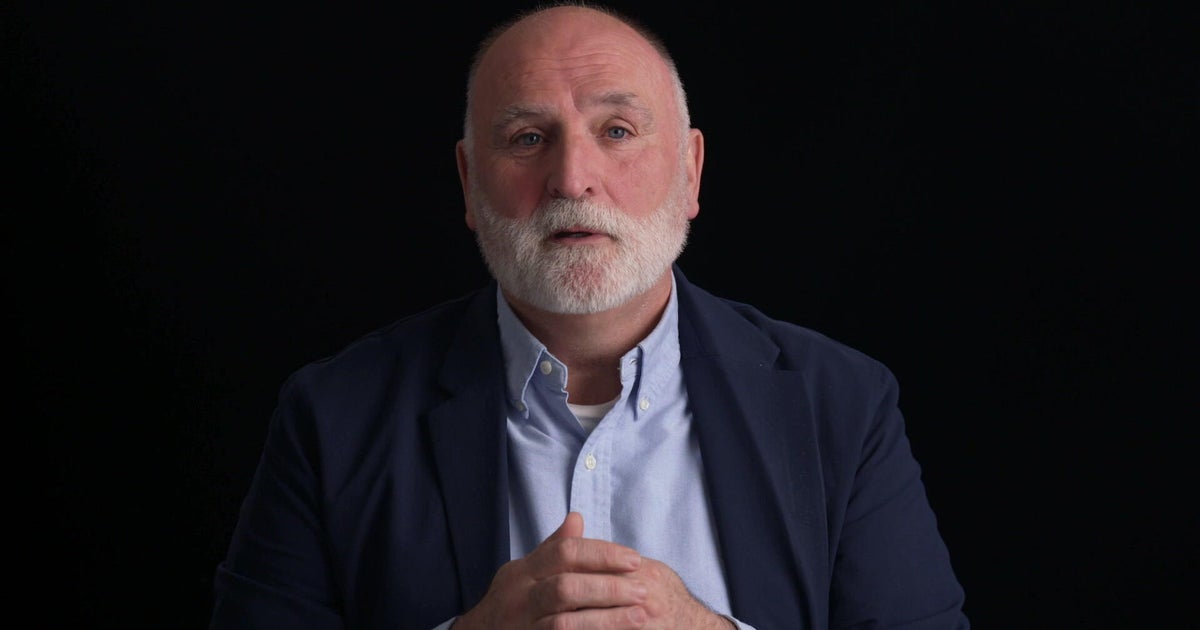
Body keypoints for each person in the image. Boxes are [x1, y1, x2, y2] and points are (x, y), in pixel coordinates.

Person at [209, 2, 970, 628]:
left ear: (692, 170)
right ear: (470, 184)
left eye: (617, 131)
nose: (573, 177)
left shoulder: (842, 405)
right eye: (528, 138)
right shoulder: (332, 417)